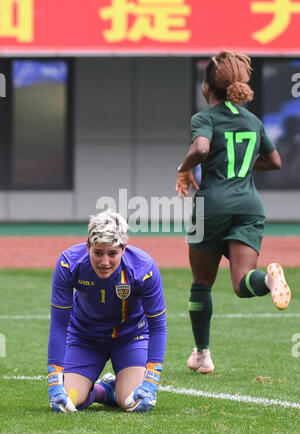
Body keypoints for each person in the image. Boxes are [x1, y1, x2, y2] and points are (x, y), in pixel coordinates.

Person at [175, 50, 291, 374]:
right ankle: (267, 280)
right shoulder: (252, 120)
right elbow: (275, 161)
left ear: (208, 86)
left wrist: (183, 169)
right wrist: (241, 166)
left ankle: (202, 355)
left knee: (201, 282)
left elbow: (200, 148)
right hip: (249, 206)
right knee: (242, 283)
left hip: (210, 206)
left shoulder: (205, 117)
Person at [47, 209, 167, 412]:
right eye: (98, 253)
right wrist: (54, 381)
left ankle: (111, 390)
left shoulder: (144, 268)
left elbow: (158, 327)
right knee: (68, 402)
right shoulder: (69, 262)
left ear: (124, 248)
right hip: (84, 338)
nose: (104, 262)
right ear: (88, 246)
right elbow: (59, 325)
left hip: (132, 338)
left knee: (136, 403)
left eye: (112, 253)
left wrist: (151, 381)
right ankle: (100, 391)